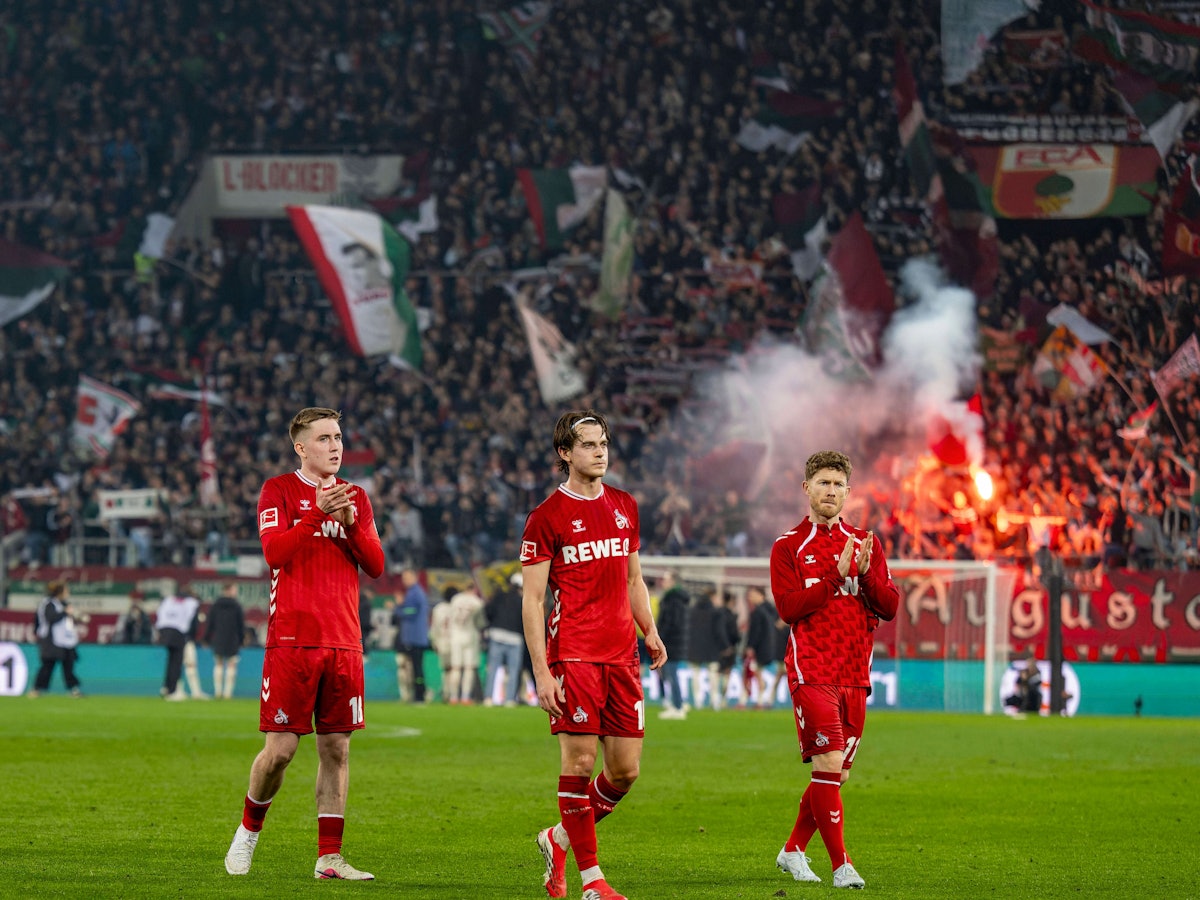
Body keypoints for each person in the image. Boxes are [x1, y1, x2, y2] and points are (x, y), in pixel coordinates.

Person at [224, 407, 385, 881]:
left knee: (337, 751)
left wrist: (352, 522)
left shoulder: (356, 496)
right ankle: (248, 832)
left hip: (343, 642)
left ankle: (329, 858)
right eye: (324, 438)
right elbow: (274, 553)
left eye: (338, 437)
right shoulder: (278, 490)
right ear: (301, 447)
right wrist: (318, 512)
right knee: (280, 751)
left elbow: (376, 565)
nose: (335, 445)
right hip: (292, 641)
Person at [520, 409, 667, 900]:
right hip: (575, 654)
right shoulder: (546, 517)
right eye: (588, 445)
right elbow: (534, 600)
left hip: (622, 654)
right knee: (580, 761)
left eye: (603, 443)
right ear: (565, 453)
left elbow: (633, 579)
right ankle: (592, 880)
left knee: (625, 771)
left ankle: (558, 837)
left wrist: (649, 628)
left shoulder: (625, 505)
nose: (600, 452)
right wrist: (542, 671)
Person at [769, 450, 899, 890]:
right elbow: (788, 608)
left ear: (848, 491)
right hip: (812, 670)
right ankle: (843, 865)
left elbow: (890, 607)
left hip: (854, 673)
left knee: (837, 774)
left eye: (838, 484)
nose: (830, 491)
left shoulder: (866, 543)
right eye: (822, 482)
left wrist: (863, 577)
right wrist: (833, 577)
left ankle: (792, 851)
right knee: (827, 763)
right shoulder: (788, 546)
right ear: (807, 489)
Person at [30, 580, 82, 697]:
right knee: (48, 665)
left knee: (68, 664)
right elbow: (51, 618)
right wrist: (65, 612)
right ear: (60, 592)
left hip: (65, 640)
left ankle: (74, 689)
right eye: (66, 590)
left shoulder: (61, 604)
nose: (68, 593)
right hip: (51, 640)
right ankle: (36, 689)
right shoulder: (49, 604)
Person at [155, 587, 207, 701]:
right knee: (176, 662)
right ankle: (173, 691)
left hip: (165, 630)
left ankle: (166, 687)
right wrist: (191, 637)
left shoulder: (169, 600)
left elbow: (160, 614)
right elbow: (193, 623)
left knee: (170, 660)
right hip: (179, 632)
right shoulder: (191, 603)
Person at [483, 572, 527, 706]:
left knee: (493, 668)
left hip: (497, 634)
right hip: (515, 638)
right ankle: (509, 699)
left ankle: (488, 698)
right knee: (513, 670)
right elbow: (525, 622)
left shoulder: (500, 596)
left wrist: (492, 624)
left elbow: (488, 610)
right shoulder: (522, 601)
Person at [654, 570, 690, 719]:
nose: (663, 582)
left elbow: (671, 622)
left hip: (671, 643)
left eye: (666, 579)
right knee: (670, 674)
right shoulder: (675, 599)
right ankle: (677, 703)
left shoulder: (673, 600)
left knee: (671, 674)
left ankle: (678, 707)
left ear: (673, 582)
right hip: (675, 641)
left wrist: (661, 638)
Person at [391, 568, 430, 703]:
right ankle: (419, 693)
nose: (405, 581)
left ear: (415, 577)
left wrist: (397, 608)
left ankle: (420, 694)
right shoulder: (415, 592)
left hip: (415, 637)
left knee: (416, 667)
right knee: (415, 667)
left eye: (407, 577)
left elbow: (411, 611)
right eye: (403, 578)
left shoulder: (415, 593)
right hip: (416, 636)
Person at [445, 584, 485, 704]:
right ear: (473, 589)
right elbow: (480, 623)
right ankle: (465, 697)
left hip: (455, 636)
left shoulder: (455, 599)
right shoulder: (478, 602)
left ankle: (453, 697)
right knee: (469, 668)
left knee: (456, 668)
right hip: (470, 636)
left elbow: (450, 617)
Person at [685, 587, 723, 711]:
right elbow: (719, 631)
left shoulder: (692, 611)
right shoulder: (715, 612)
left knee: (695, 673)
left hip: (694, 647)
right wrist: (725, 646)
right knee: (712, 673)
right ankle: (714, 700)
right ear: (712, 597)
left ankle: (697, 701)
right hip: (711, 647)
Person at [207, 581, 246, 700]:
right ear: (229, 590)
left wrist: (207, 638)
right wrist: (242, 639)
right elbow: (241, 625)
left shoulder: (215, 605)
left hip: (218, 638)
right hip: (232, 639)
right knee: (231, 665)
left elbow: (210, 624)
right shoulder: (237, 606)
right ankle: (228, 693)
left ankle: (218, 691)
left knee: (218, 664)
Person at [743, 585, 778, 708]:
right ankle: (760, 700)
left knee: (754, 673)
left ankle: (758, 701)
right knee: (758, 673)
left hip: (760, 648)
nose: (750, 598)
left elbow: (755, 632)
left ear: (760, 595)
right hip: (769, 647)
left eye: (752, 595)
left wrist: (750, 646)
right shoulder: (770, 611)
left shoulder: (758, 612)